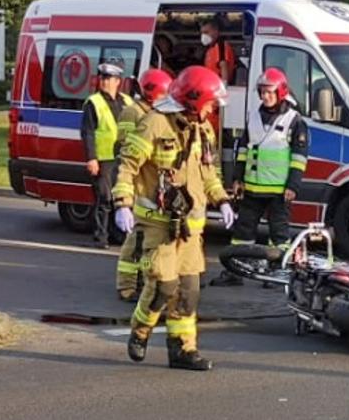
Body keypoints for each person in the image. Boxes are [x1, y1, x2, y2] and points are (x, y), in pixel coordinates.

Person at [113, 65, 236, 371]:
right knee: (164, 287)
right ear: (193, 100)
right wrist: (122, 203)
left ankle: (182, 350)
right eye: (209, 103)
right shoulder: (154, 123)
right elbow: (128, 164)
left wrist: (222, 200)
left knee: (189, 292)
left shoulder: (201, 128)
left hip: (190, 231)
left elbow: (207, 171)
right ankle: (140, 332)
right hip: (158, 224)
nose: (212, 109)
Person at [228, 67, 309, 250]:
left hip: (279, 192)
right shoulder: (254, 117)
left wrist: (292, 185)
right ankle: (236, 272)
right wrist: (238, 179)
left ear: (280, 92)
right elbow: (243, 150)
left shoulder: (294, 121)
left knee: (279, 235)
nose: (265, 96)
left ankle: (278, 273)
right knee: (242, 233)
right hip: (251, 188)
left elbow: (299, 158)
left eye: (270, 92)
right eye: (262, 92)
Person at [109, 68, 171, 301]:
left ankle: (145, 281)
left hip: (148, 183)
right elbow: (126, 149)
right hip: (134, 182)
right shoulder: (132, 112)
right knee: (135, 238)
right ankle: (126, 287)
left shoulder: (153, 112)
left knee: (145, 238)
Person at [80, 62, 134, 248]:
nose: (103, 81)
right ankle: (100, 237)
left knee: (121, 197)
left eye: (107, 78)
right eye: (102, 77)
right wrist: (91, 158)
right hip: (103, 158)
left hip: (124, 157)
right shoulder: (93, 102)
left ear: (118, 81)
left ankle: (117, 235)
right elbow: (87, 132)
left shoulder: (127, 101)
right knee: (104, 198)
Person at [201, 19, 236, 85]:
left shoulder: (221, 45)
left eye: (206, 32)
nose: (203, 35)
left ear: (215, 31)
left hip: (218, 86)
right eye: (202, 33)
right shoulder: (210, 48)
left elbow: (223, 66)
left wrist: (223, 86)